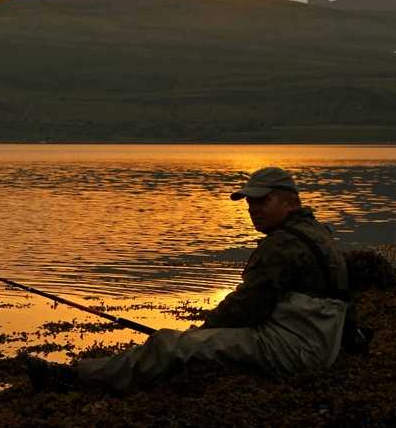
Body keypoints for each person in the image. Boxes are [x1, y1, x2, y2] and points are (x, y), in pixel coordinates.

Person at [27, 166, 350, 392]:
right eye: (250, 202)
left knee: (169, 345)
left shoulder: (283, 244)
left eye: (262, 201)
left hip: (293, 352)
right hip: (316, 345)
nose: (253, 208)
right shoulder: (318, 234)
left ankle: (74, 378)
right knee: (190, 344)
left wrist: (202, 332)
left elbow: (248, 306)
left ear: (290, 202)